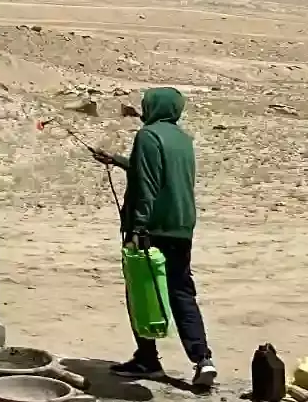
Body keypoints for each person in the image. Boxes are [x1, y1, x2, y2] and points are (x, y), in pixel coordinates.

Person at [92, 86, 217, 389]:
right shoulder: (183, 139)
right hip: (182, 227)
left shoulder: (148, 136)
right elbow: (159, 172)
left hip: (152, 229)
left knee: (142, 292)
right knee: (182, 293)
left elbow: (147, 185)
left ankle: (148, 360)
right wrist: (118, 161)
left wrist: (138, 227)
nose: (142, 109)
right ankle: (203, 360)